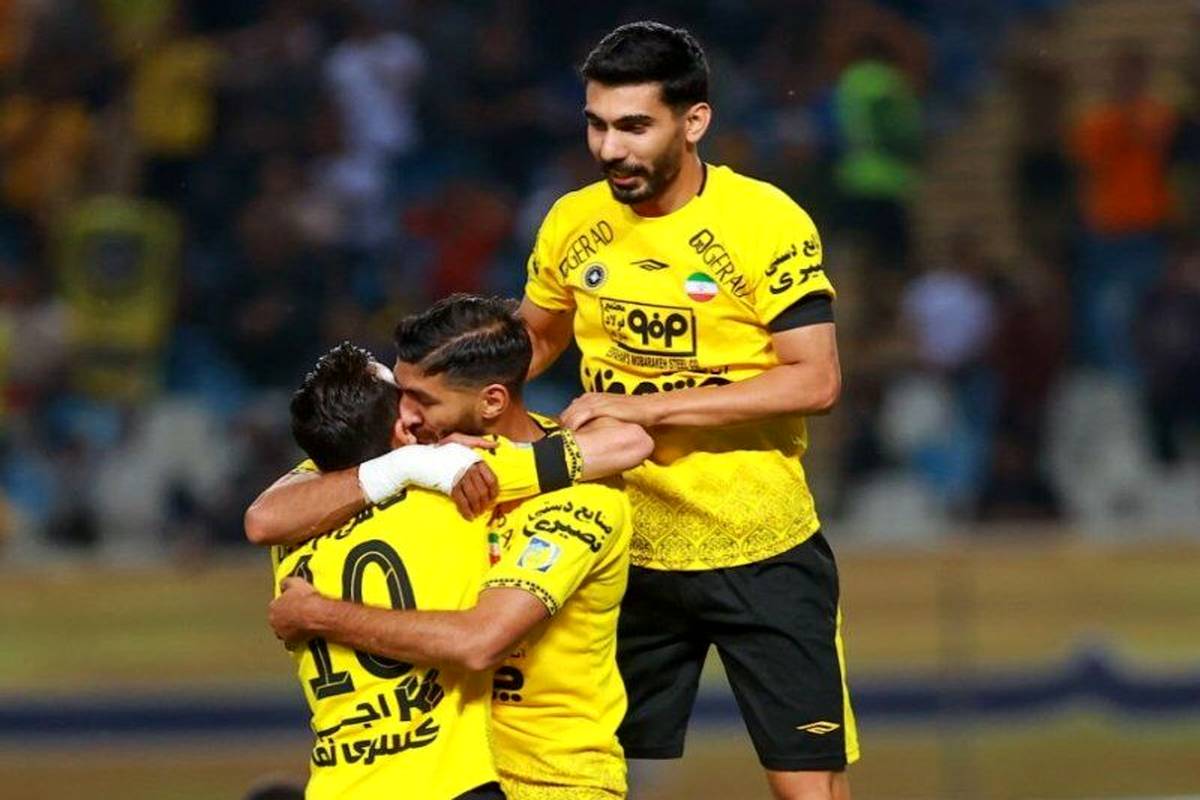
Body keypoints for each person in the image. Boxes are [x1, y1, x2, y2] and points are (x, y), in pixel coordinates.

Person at [517, 22, 858, 800]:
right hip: (618, 544)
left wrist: (647, 410)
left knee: (806, 788)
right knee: (576, 775)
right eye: (597, 125)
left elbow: (815, 382)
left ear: (693, 120)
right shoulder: (572, 220)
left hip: (759, 544)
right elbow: (533, 339)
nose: (609, 148)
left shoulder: (765, 222)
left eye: (634, 126)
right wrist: (444, 391)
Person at [260, 295, 649, 799]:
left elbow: (480, 641)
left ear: (491, 402)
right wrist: (407, 465)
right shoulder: (406, 458)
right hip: (445, 778)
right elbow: (265, 517)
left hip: (549, 782)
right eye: (401, 394)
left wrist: (319, 615)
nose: (405, 415)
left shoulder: (576, 498)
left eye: (422, 400)